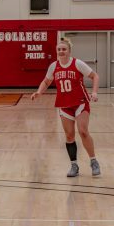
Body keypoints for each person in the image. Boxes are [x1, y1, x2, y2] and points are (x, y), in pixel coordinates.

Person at [31, 37, 101, 178]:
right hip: (64, 104)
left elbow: (95, 76)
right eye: (59, 49)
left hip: (80, 102)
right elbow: (46, 81)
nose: (61, 51)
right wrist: (39, 92)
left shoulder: (77, 63)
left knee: (83, 131)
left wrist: (94, 92)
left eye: (64, 49)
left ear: (69, 51)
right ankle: (74, 165)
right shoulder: (53, 66)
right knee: (69, 135)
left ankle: (94, 161)